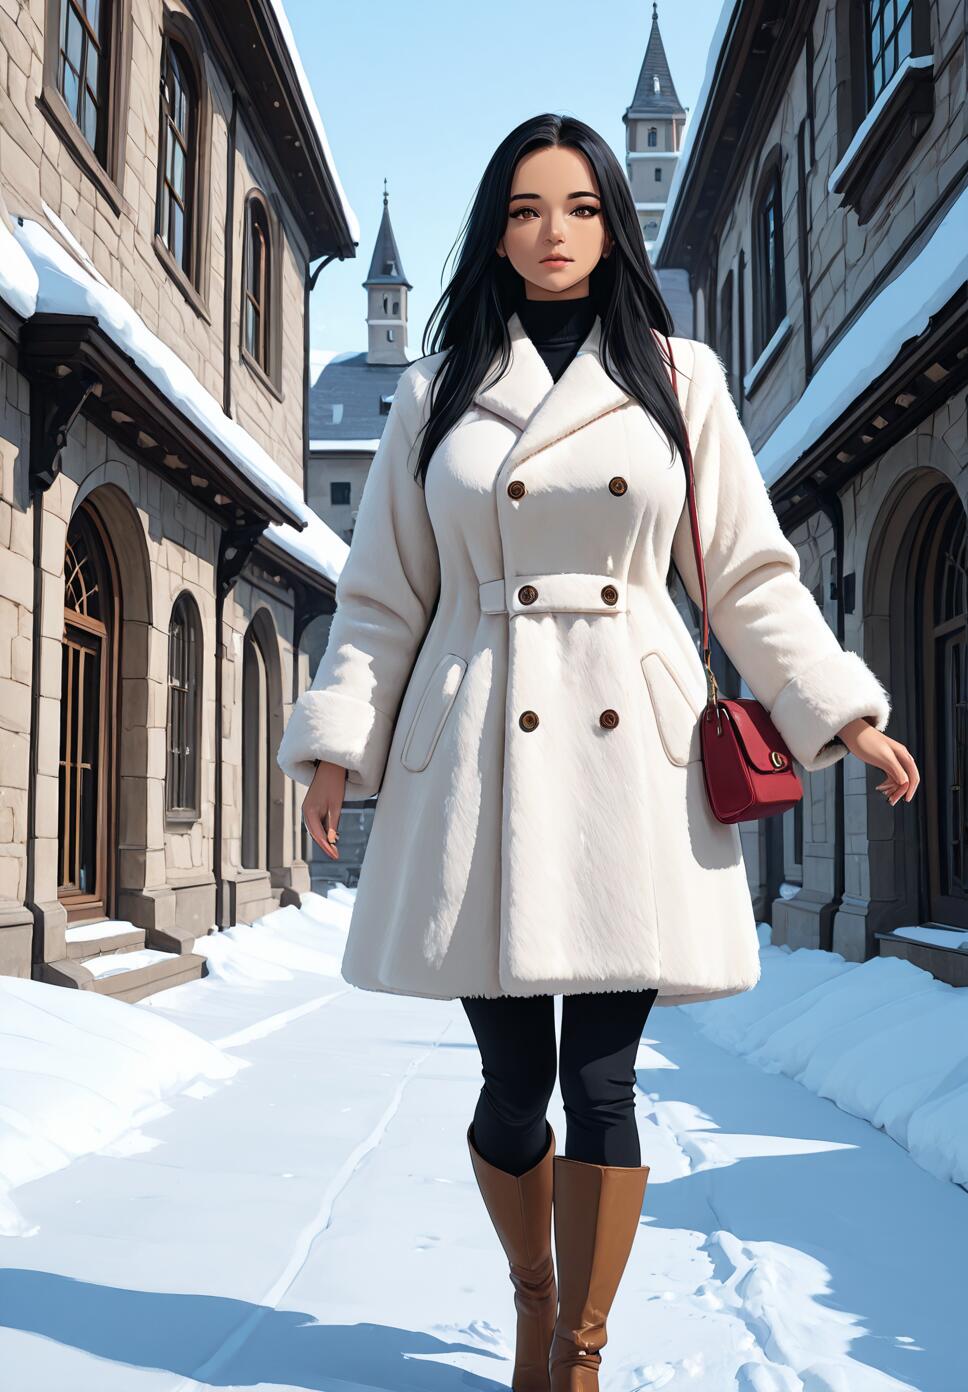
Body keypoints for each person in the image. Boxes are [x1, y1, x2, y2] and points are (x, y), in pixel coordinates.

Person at [276, 115, 920, 1391]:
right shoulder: (433, 389)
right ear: (497, 231)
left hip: (635, 752)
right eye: (523, 210)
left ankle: (575, 1349)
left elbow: (743, 571)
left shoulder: (682, 378)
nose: (550, 233)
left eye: (576, 207)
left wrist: (834, 704)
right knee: (512, 1084)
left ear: (611, 225)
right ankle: (531, 1299)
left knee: (604, 1075)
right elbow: (381, 596)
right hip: (479, 748)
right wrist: (337, 742)